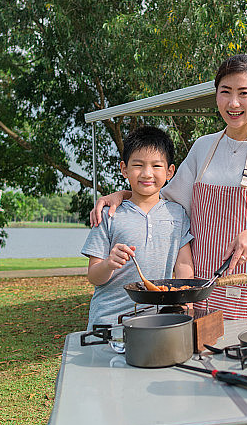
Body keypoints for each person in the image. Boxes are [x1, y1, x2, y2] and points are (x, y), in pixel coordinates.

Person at [91, 54, 247, 319]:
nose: (233, 103)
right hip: (198, 288)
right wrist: (124, 195)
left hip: (244, 283)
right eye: (225, 92)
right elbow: (165, 198)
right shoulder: (204, 147)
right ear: (216, 96)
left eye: (243, 93)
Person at [82, 126, 194, 329]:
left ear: (170, 171)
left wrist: (186, 300)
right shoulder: (109, 214)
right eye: (138, 165)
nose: (147, 173)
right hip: (107, 322)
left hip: (157, 321)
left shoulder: (177, 214)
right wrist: (109, 263)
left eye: (156, 166)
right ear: (124, 169)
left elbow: (184, 264)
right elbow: (94, 276)